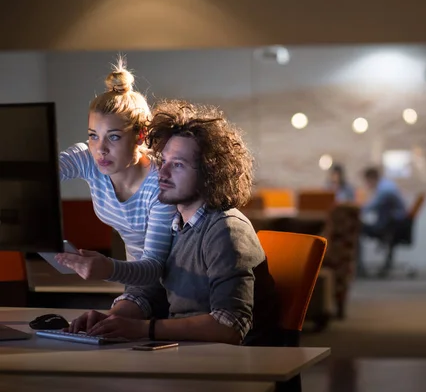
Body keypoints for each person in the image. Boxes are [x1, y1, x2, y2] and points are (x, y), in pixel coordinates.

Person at [65, 100, 281, 346]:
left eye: (177, 165)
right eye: (163, 161)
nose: (162, 174)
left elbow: (229, 325)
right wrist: (111, 320)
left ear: (210, 173)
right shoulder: (175, 225)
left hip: (230, 366)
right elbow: (146, 293)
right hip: (184, 353)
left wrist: (142, 329)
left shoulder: (227, 229)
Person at [56, 59, 177, 288]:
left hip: (176, 288)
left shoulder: (161, 184)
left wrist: (107, 268)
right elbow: (38, 174)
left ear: (140, 136)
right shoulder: (90, 159)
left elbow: (154, 267)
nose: (100, 149)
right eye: (93, 135)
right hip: (136, 283)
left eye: (113, 137)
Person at [358, 166, 408, 278]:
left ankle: (359, 268)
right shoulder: (386, 185)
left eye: (367, 181)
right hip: (393, 224)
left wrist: (353, 210)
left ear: (371, 178)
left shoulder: (385, 190)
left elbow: (371, 207)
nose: (367, 184)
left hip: (391, 226)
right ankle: (360, 267)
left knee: (357, 228)